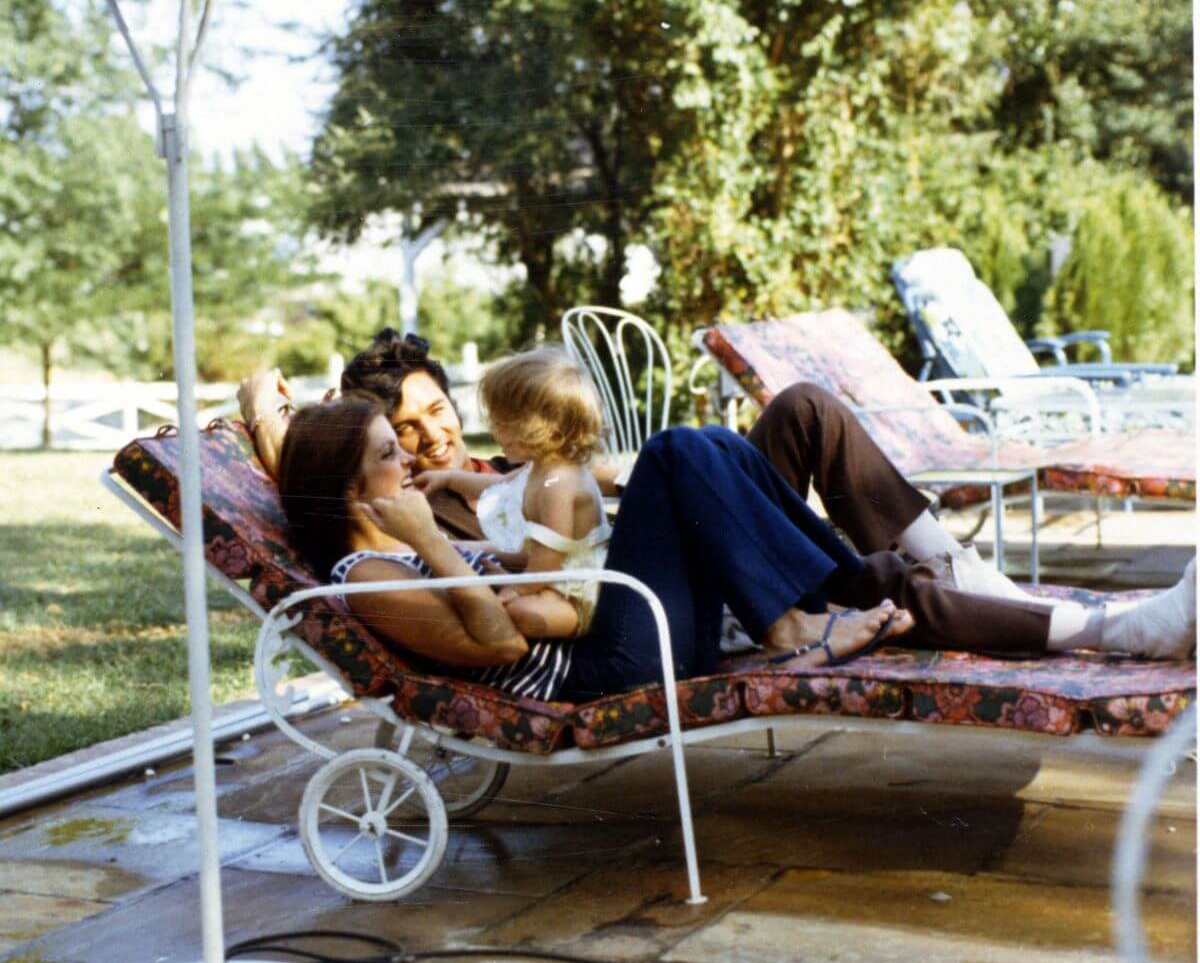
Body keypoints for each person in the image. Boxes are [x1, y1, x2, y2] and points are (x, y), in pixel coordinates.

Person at [244, 330, 1196, 661]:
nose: (431, 437)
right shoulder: (403, 522)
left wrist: (605, 476)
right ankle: (1089, 626)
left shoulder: (482, 473)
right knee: (682, 457)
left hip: (653, 566)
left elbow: (587, 484)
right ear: (366, 465)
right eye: (400, 436)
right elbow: (313, 476)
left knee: (801, 410)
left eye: (438, 412)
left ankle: (953, 569)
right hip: (632, 611)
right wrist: (259, 407)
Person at [277, 395, 917, 703]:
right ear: (348, 491)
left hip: (619, 630)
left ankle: (838, 587)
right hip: (606, 666)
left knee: (712, 443)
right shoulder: (369, 578)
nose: (409, 458)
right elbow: (501, 645)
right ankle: (792, 624)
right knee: (673, 453)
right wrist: (429, 539)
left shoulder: (395, 549)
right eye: (391, 452)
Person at [413, 347, 612, 639]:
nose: (494, 431)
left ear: (543, 429)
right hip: (548, 574)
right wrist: (448, 479)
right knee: (480, 565)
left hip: (578, 589)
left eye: (503, 424)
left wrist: (517, 587)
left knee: (518, 612)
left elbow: (549, 555)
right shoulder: (540, 467)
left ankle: (576, 624)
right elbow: (500, 485)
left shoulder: (560, 483)